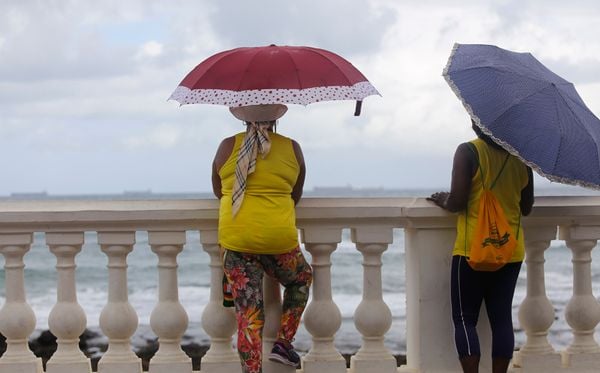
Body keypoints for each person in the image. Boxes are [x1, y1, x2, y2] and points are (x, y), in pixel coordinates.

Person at [212, 103, 313, 373]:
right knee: (301, 278)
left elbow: (218, 190)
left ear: (242, 117)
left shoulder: (226, 147)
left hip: (237, 238)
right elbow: (295, 195)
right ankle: (283, 343)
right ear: (276, 117)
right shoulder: (292, 148)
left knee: (249, 317)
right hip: (278, 239)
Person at [428, 119, 534, 373]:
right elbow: (526, 208)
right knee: (501, 319)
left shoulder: (468, 152)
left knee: (465, 318)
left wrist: (443, 199)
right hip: (511, 251)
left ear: (479, 125)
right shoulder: (523, 159)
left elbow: (457, 202)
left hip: (471, 250)